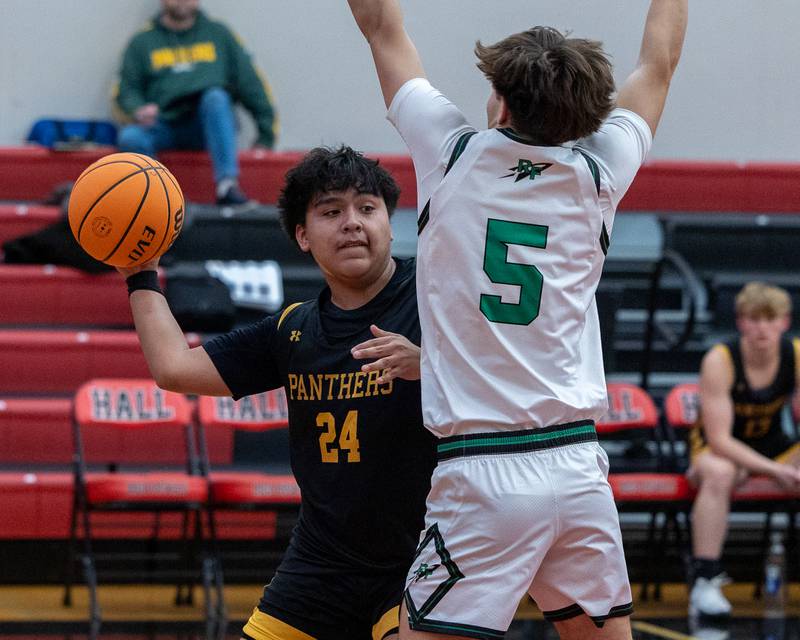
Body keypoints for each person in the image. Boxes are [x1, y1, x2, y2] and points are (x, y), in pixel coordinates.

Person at [347, 2, 687, 639]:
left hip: (484, 472)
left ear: (501, 105)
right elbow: (658, 66)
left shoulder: (452, 155)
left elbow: (381, 26)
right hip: (578, 468)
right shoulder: (600, 174)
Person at [119, 145, 437, 640]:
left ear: (390, 224)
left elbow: (518, 376)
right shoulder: (293, 329)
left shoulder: (436, 298)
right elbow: (175, 369)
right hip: (321, 565)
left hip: (422, 558)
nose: (352, 223)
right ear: (302, 236)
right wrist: (140, 272)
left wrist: (431, 367)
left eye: (367, 208)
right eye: (331, 212)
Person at [687, 282, 800, 618]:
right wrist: (775, 470)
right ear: (740, 322)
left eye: (770, 319)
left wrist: (787, 463)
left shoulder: (795, 354)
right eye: (754, 319)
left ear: (785, 321)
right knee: (721, 472)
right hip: (719, 448)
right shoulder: (720, 359)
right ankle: (705, 580)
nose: (762, 328)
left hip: (771, 443)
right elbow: (719, 439)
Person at [114, 0, 277, 207]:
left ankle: (227, 186)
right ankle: (157, 201)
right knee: (130, 137)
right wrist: (138, 110)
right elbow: (125, 91)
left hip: (206, 126)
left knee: (216, 97)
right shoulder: (142, 41)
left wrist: (265, 137)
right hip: (163, 126)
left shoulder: (219, 34)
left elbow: (251, 85)